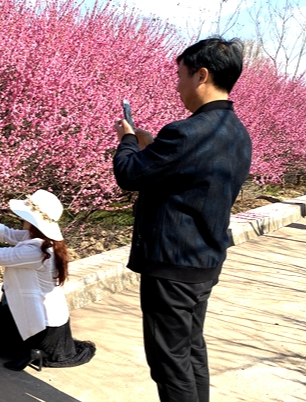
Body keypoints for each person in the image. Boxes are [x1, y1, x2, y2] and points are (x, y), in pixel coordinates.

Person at [112, 36, 252, 402]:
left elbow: (129, 174)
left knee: (168, 363)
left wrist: (128, 140)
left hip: (172, 262)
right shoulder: (237, 132)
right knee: (190, 350)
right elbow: (192, 175)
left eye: (180, 76)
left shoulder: (186, 131)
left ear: (201, 75)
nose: (178, 86)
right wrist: (153, 147)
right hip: (204, 259)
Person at [0, 189, 96, 371]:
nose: (21, 219)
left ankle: (33, 351)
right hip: (50, 319)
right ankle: (29, 349)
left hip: (43, 326)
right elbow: (7, 233)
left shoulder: (36, 251)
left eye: (25, 216)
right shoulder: (44, 240)